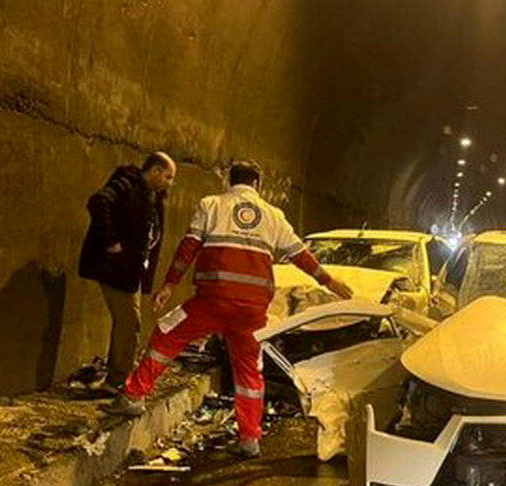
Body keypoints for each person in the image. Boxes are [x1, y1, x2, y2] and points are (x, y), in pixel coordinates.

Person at [103, 160, 352, 458]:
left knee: (166, 334)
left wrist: (169, 284)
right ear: (257, 184)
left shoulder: (211, 205)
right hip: (252, 311)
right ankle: (249, 439)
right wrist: (329, 281)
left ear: (228, 181)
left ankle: (133, 395)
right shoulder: (274, 216)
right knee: (249, 372)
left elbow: (188, 248)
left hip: (211, 301)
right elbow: (301, 255)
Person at [79, 152, 176, 395]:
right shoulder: (126, 185)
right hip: (116, 269)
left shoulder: (152, 196)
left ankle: (119, 377)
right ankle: (116, 381)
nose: (170, 182)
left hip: (130, 271)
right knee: (129, 323)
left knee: (129, 323)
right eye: (168, 176)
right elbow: (98, 202)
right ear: (154, 171)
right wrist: (112, 242)